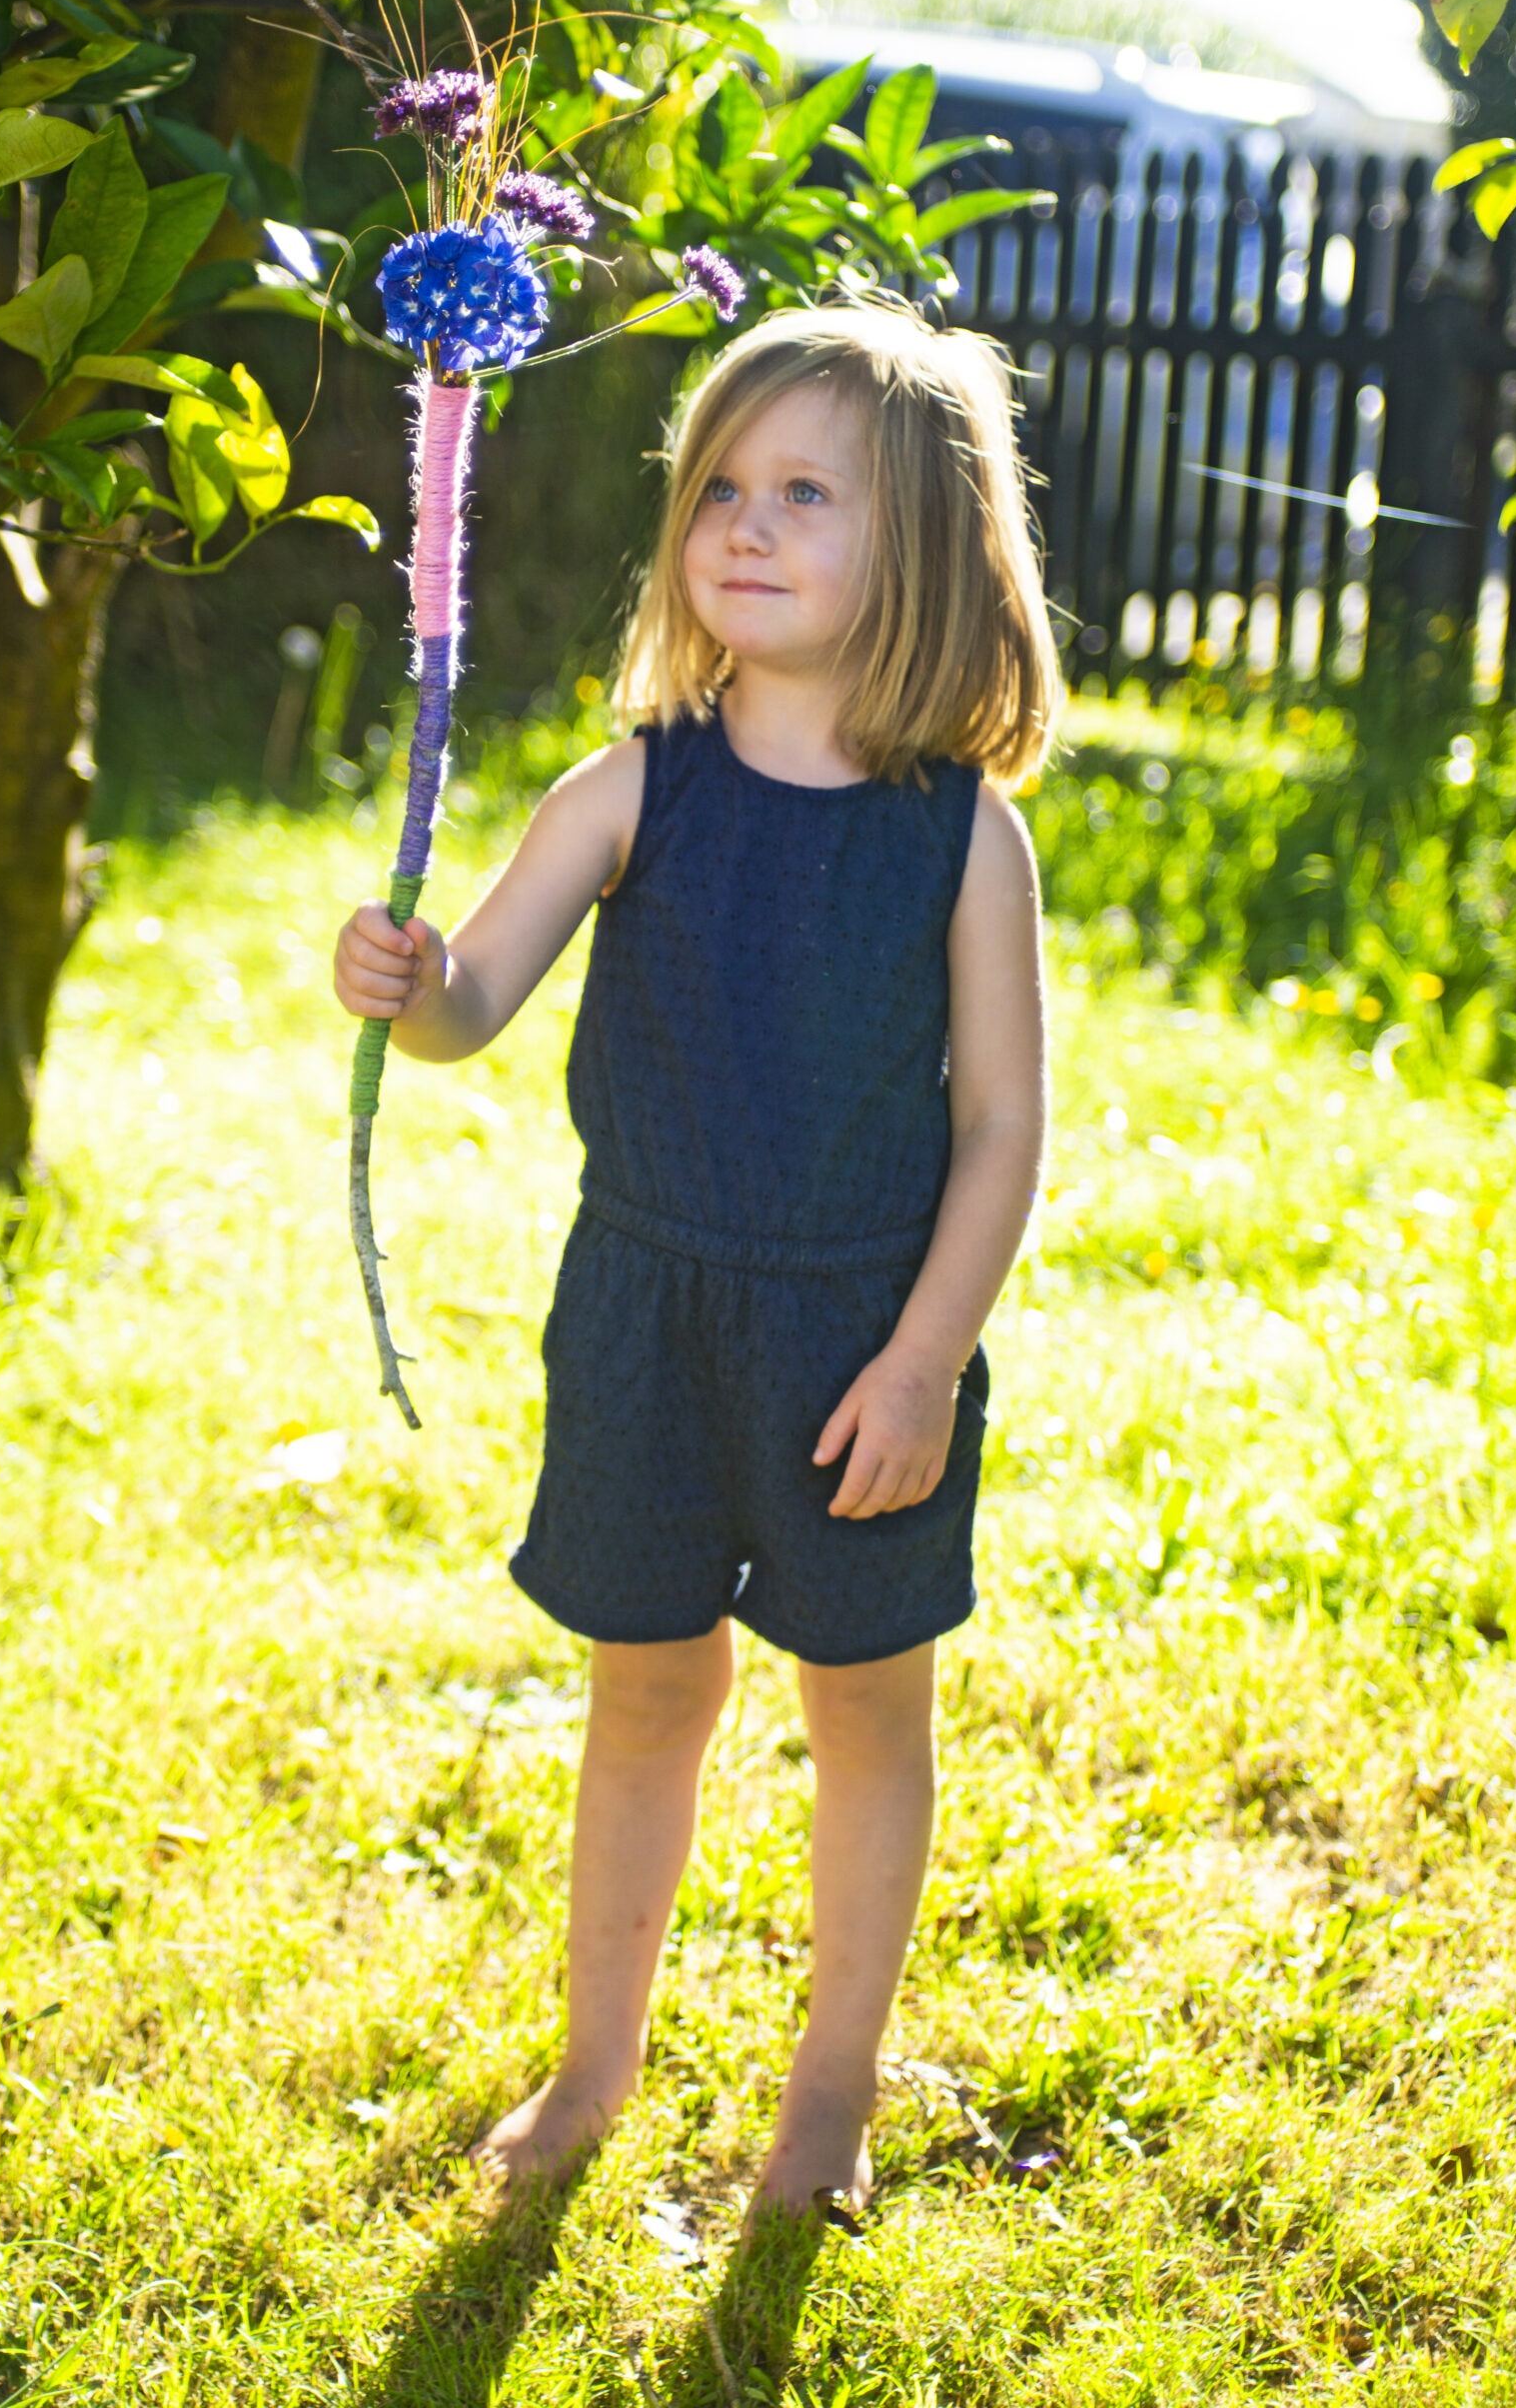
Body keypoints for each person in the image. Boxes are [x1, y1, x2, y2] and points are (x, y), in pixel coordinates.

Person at [334, 296, 1059, 2219]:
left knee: (863, 1706)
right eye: (721, 485)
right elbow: (472, 1002)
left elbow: (1000, 1128)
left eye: (806, 492)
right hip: (647, 1318)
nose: (744, 522)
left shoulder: (962, 838)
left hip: (858, 1343)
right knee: (647, 1691)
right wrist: (404, 984)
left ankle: (832, 2087)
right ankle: (597, 2063)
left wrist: (921, 1364)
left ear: (922, 540)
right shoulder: (630, 787)